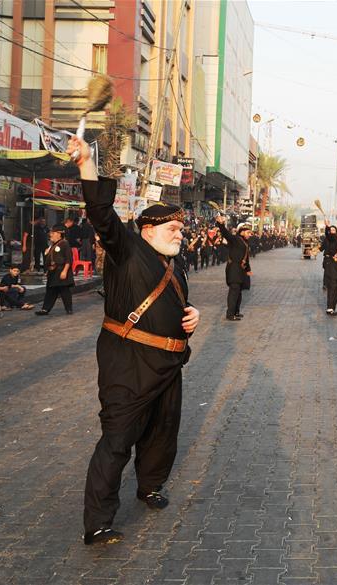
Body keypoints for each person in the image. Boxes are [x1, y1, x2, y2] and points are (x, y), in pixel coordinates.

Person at [69, 136, 200, 545]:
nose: (180, 235)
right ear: (147, 229)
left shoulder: (174, 267)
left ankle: (150, 486)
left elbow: (177, 306)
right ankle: (98, 523)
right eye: (173, 228)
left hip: (167, 365)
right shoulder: (125, 248)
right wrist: (87, 163)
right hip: (127, 363)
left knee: (163, 431)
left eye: (181, 229)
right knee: (117, 439)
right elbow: (101, 213)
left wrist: (193, 316)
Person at [214, 215, 252, 321]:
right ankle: (230, 314)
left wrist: (248, 270)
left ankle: (236, 312)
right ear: (242, 231)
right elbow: (226, 233)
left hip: (241, 270)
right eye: (248, 232)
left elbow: (246, 257)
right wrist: (220, 224)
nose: (250, 234)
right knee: (234, 292)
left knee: (238, 292)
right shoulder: (235, 239)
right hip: (234, 270)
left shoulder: (244, 242)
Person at [35, 223, 75, 316]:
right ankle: (45, 309)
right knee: (50, 291)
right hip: (53, 272)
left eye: (53, 232)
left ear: (59, 233)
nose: (51, 234)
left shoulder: (65, 243)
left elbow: (69, 259)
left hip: (61, 270)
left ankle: (69, 309)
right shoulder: (54, 244)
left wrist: (65, 271)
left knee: (65, 291)